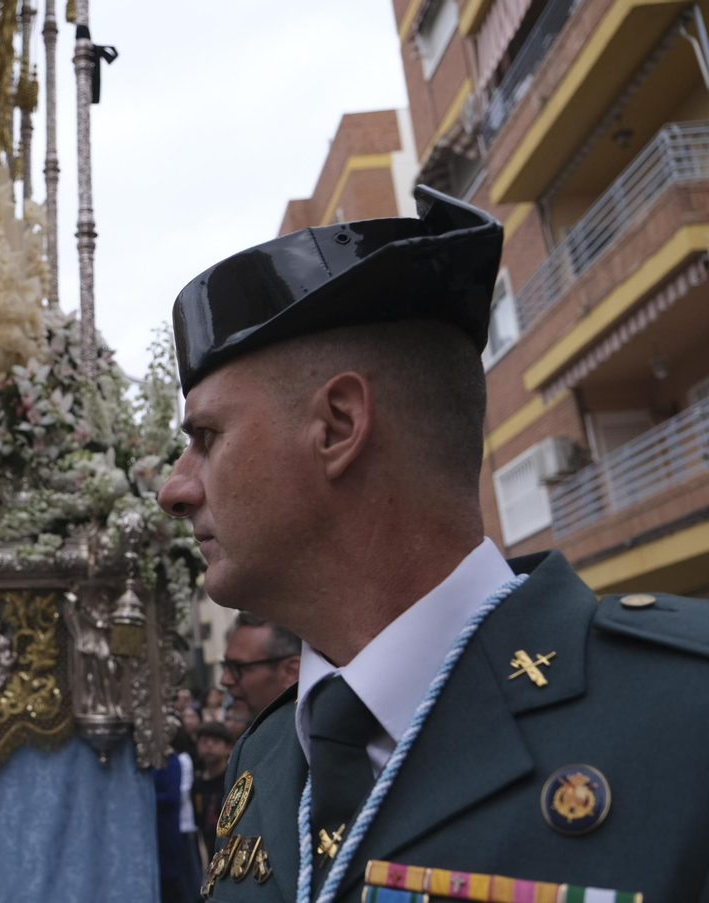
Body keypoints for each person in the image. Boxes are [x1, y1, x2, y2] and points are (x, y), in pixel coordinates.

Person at [159, 186, 709, 900]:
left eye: (206, 437)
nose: (175, 488)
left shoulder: (684, 705)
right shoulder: (266, 756)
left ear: (337, 426)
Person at [152, 731, 203, 903]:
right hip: (157, 830)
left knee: (178, 884)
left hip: (171, 829)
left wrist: (146, 798)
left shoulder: (173, 759)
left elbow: (174, 796)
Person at [188, 721, 233, 861]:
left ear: (228, 748)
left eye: (216, 742)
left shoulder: (233, 780)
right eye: (204, 742)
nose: (209, 746)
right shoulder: (197, 783)